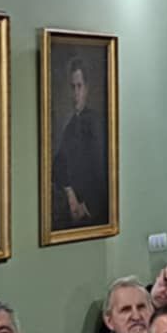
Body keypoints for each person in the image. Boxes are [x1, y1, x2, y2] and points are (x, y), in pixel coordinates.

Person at [49, 56, 109, 230]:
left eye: (79, 86)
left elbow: (102, 172)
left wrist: (87, 207)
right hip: (73, 209)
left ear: (87, 88)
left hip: (93, 214)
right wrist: (69, 192)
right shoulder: (70, 126)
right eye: (72, 87)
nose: (76, 93)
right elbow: (58, 163)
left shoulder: (95, 123)